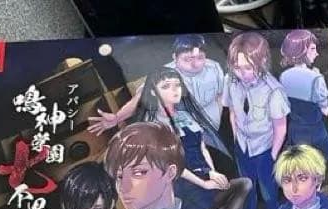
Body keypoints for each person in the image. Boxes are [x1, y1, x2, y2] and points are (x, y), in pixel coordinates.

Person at [87, 35, 229, 159]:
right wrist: (117, 117)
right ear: (175, 58)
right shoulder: (165, 74)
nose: (195, 64)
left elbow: (220, 95)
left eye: (200, 58)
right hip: (183, 134)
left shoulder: (213, 67)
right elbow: (139, 99)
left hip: (213, 130)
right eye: (187, 59)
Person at [132, 67, 232, 209]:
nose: (174, 90)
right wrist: (204, 182)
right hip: (181, 183)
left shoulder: (185, 115)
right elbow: (173, 165)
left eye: (177, 85)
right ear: (153, 92)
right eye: (166, 86)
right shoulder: (153, 125)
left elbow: (202, 148)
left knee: (233, 199)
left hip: (202, 173)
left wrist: (212, 172)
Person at [224, 32, 291, 209]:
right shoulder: (230, 81)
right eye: (237, 67)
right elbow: (232, 111)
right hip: (242, 145)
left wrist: (273, 154)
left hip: (264, 148)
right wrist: (236, 139)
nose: (242, 73)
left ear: (262, 61)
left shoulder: (273, 91)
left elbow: (280, 127)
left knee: (268, 188)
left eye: (248, 67)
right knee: (247, 185)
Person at [279, 30, 328, 162]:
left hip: (294, 133)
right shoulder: (316, 78)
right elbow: (325, 111)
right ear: (301, 51)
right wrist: (318, 77)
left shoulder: (283, 76)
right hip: (316, 134)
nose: (317, 53)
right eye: (313, 49)